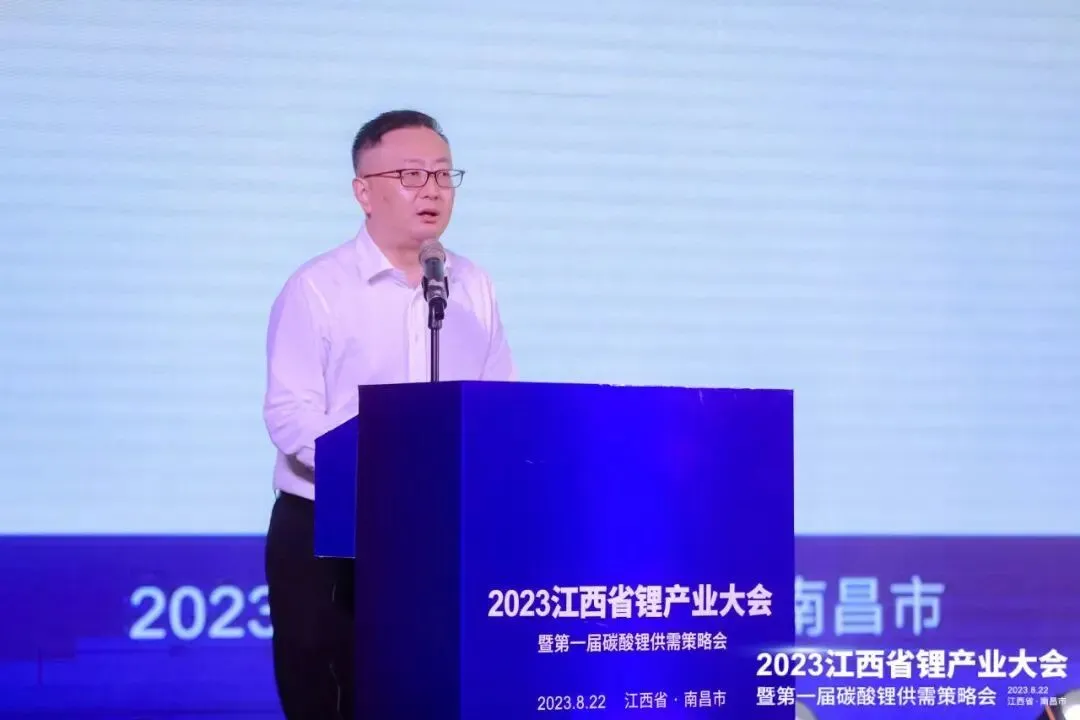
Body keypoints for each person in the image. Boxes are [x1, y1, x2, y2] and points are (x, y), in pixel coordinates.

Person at [260, 109, 516, 719]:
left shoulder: (472, 286)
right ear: (363, 192)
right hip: (330, 531)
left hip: (438, 531)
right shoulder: (318, 288)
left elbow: (498, 406)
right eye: (410, 174)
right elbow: (290, 415)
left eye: (443, 174)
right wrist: (385, 468)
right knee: (331, 699)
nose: (432, 189)